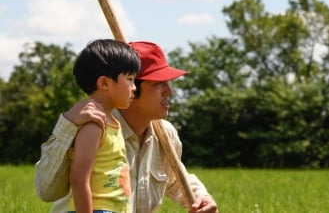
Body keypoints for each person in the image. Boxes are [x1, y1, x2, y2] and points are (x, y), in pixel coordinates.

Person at [35, 41, 219, 213]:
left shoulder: (166, 134)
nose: (169, 91)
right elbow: (47, 191)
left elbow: (174, 179)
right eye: (157, 84)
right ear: (131, 87)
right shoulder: (92, 124)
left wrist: (201, 197)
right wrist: (67, 125)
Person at [68, 39, 140, 212]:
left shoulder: (112, 122)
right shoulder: (93, 125)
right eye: (130, 79)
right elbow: (79, 179)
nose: (134, 87)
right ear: (104, 83)